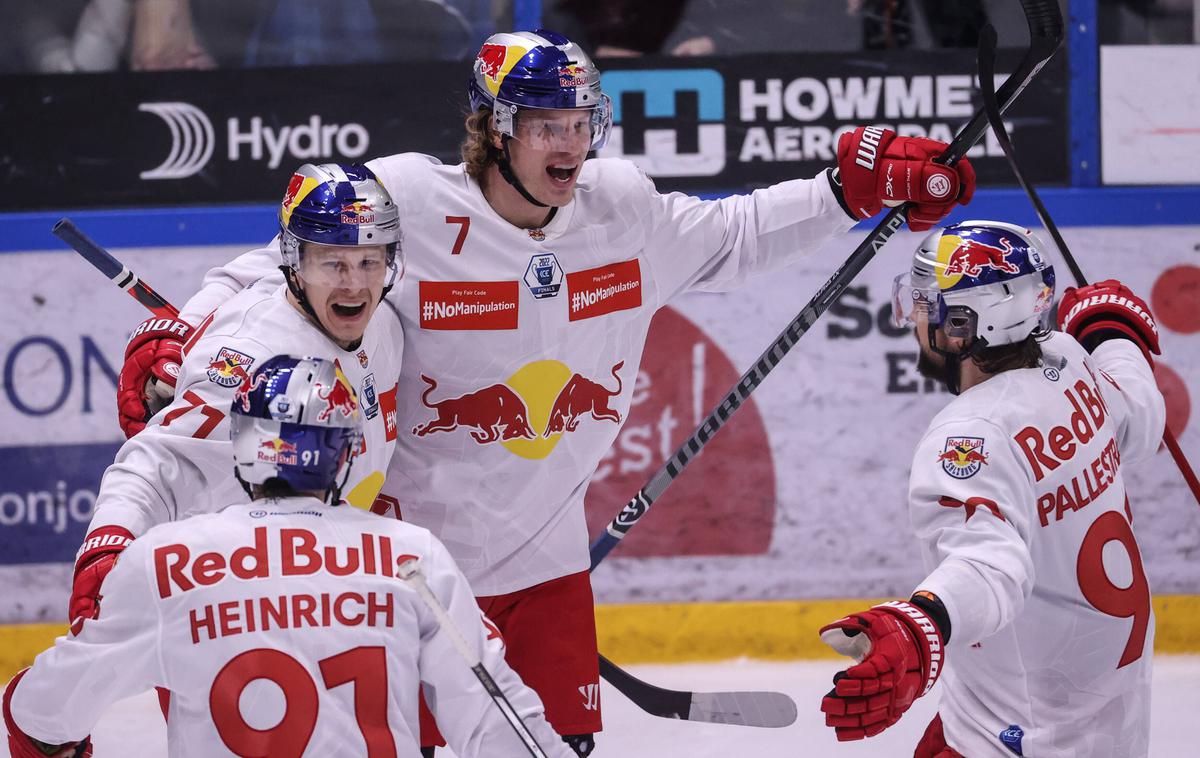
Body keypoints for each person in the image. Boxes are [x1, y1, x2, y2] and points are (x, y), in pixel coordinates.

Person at [116, 29, 977, 756]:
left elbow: (734, 232)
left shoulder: (620, 212)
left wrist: (848, 194)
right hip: (407, 567)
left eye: (579, 122)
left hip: (546, 570)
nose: (568, 144)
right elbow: (271, 269)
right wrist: (183, 335)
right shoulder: (409, 204)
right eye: (542, 125)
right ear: (492, 130)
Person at [5, 355, 570, 758]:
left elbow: (42, 715)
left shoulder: (167, 560)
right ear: (346, 454)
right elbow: (499, 721)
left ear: (242, 446)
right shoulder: (409, 555)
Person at [818, 221, 1165, 757]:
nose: (913, 317)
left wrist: (921, 625)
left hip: (1021, 739)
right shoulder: (1071, 360)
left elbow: (990, 564)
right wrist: (1112, 335)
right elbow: (1140, 420)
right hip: (1110, 723)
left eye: (926, 305)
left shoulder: (970, 435)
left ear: (962, 325)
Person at [71, 162, 405, 637]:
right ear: (296, 262)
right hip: (232, 624)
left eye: (369, 262)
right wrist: (110, 543)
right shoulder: (250, 358)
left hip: (332, 602)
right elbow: (160, 464)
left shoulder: (384, 322)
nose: (354, 283)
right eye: (332, 263)